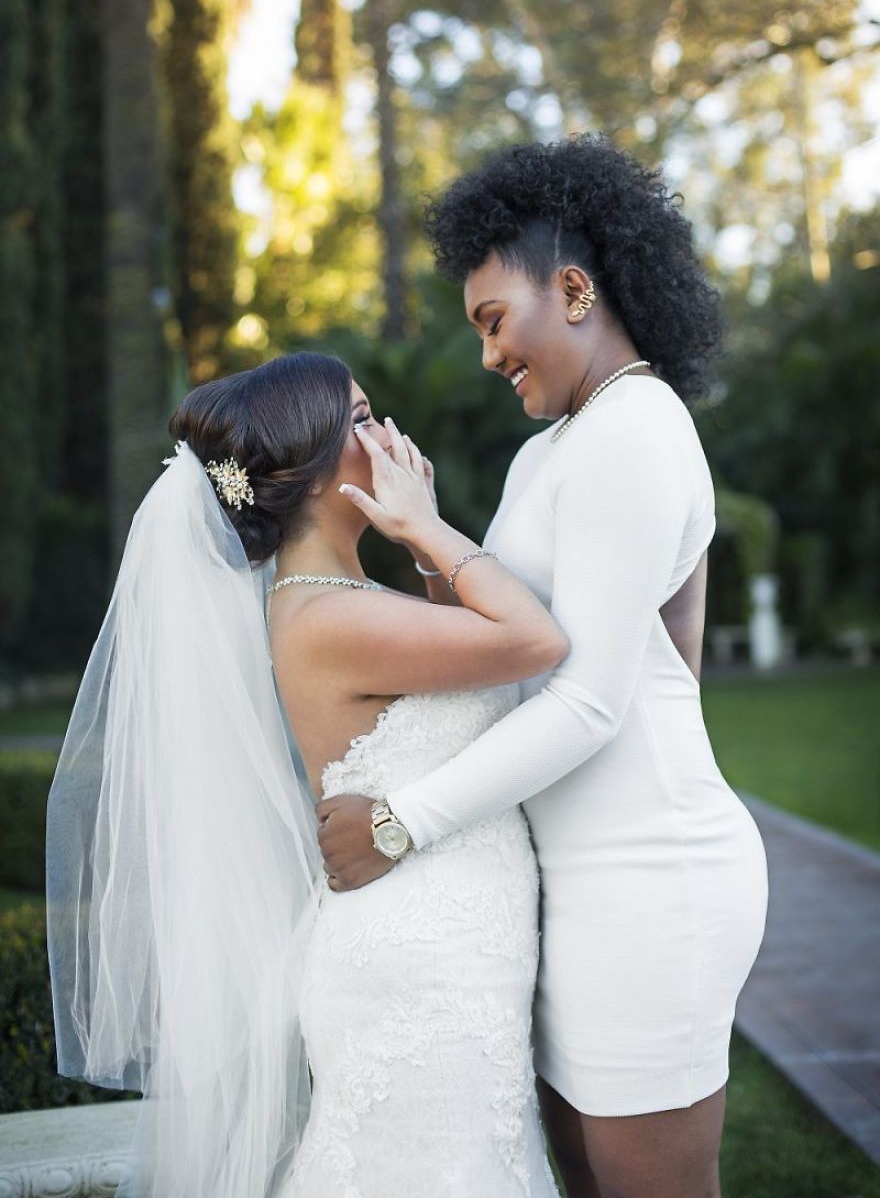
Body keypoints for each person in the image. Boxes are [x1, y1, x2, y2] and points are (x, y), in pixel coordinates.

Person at [317, 134, 770, 1198]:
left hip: (650, 882)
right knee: (585, 1174)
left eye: (492, 320)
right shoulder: (549, 450)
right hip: (574, 886)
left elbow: (594, 706)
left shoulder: (635, 428)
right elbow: (526, 652)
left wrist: (400, 820)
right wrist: (424, 538)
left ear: (572, 289)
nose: (487, 354)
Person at [46, 350, 566, 1198]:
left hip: (449, 952)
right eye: (360, 420)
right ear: (314, 473)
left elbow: (476, 659)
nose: (388, 435)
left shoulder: (340, 596)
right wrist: (424, 524)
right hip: (418, 969)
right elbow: (533, 641)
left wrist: (422, 544)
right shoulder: (328, 615)